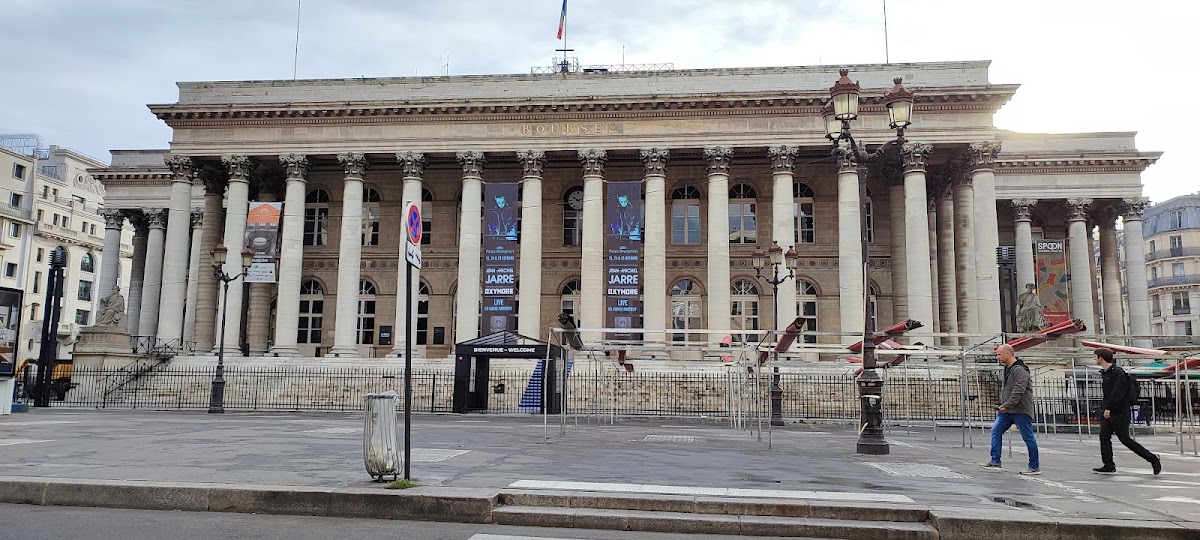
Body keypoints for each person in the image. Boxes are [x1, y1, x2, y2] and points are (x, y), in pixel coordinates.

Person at [1091, 348, 1161, 475]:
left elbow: (1118, 393)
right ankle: (1108, 465)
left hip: (1119, 412)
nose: (1094, 358)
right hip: (1108, 410)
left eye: (1095, 356)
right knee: (1104, 437)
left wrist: (1109, 408)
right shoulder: (1106, 373)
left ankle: (1152, 458)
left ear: (1101, 357)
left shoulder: (1117, 372)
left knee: (1125, 439)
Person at [980, 344, 1041, 475]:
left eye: (999, 354)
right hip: (1007, 410)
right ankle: (995, 461)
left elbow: (1019, 390)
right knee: (996, 431)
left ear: (1008, 354)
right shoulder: (1007, 369)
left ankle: (1034, 466)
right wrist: (1004, 404)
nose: (997, 357)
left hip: (1020, 410)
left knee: (1028, 437)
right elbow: (1008, 390)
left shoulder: (1019, 370)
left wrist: (1006, 405)